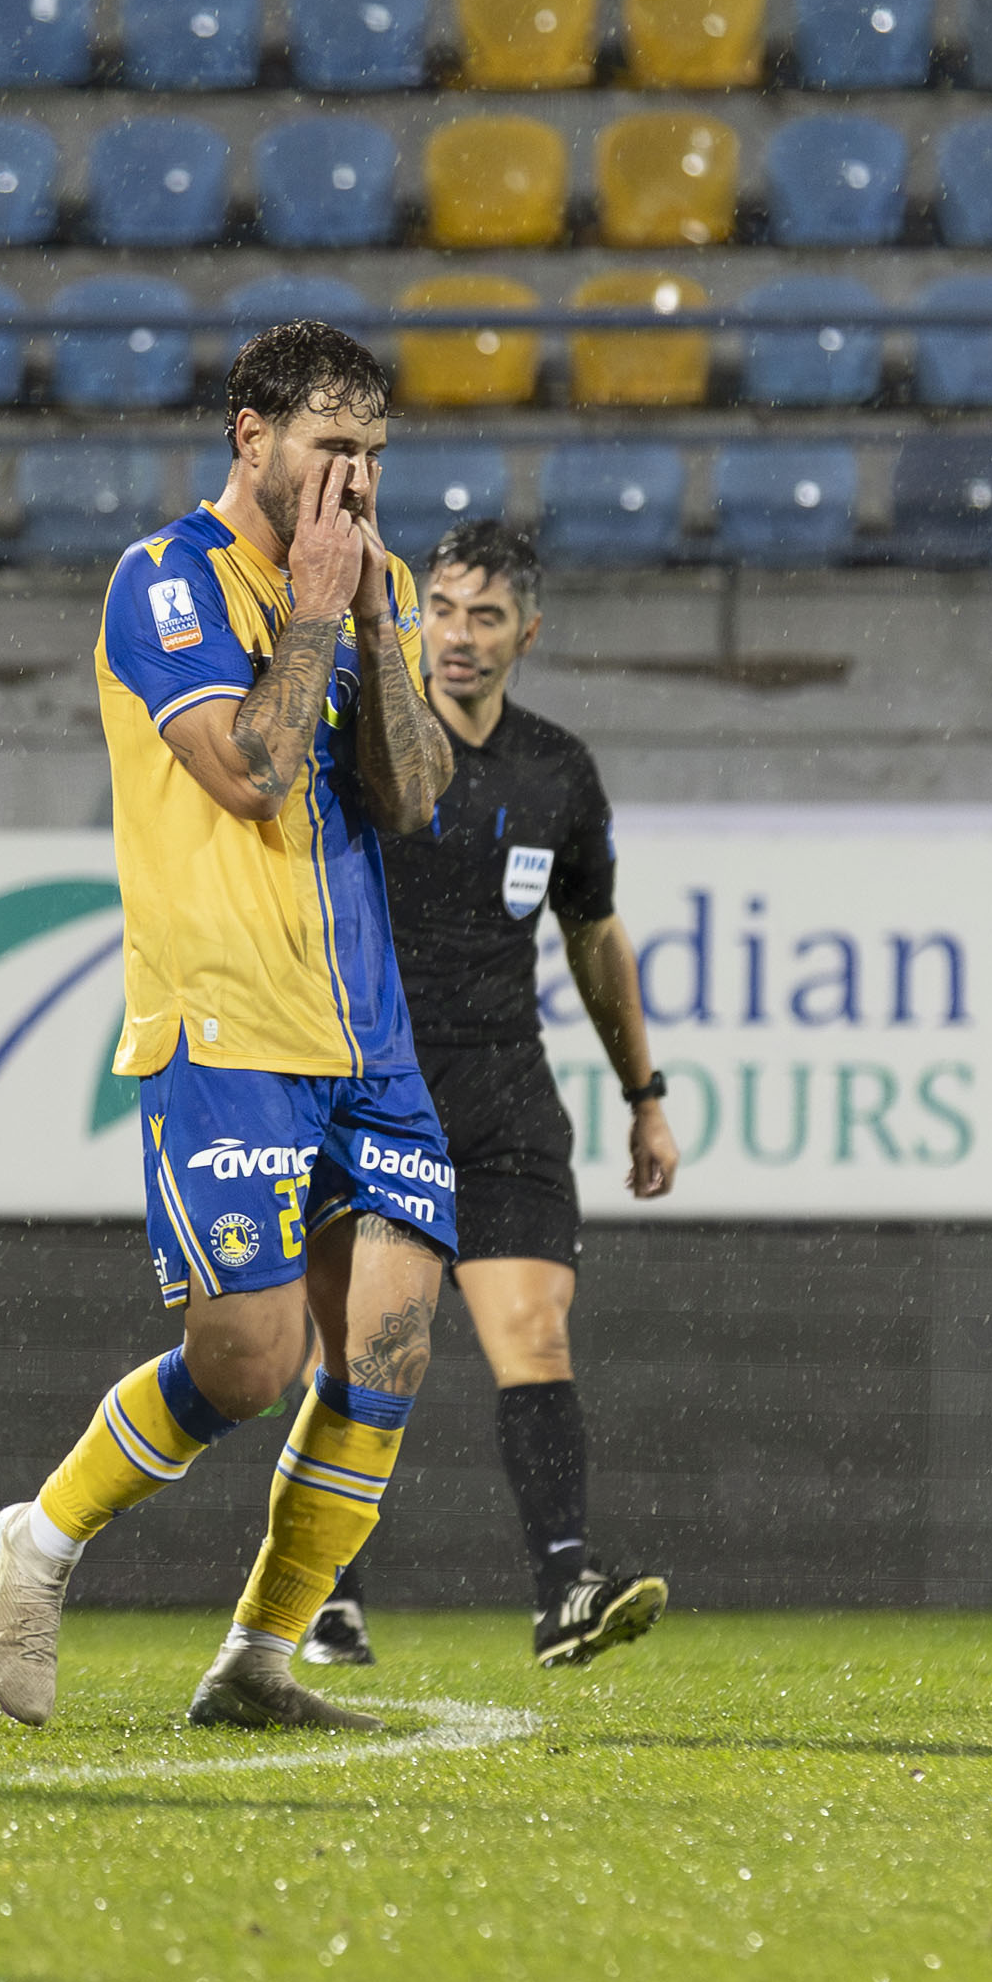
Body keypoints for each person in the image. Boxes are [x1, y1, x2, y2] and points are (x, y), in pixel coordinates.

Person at [0, 320, 460, 1733]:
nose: (355, 479)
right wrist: (312, 605)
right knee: (249, 1361)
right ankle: (38, 1539)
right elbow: (250, 769)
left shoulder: (381, 586)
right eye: (330, 445)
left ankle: (257, 1659)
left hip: (368, 1040)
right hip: (226, 1021)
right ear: (251, 437)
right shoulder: (164, 580)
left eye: (372, 451)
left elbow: (413, 795)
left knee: (384, 1355)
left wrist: (369, 621)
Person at [304, 522, 681, 1673]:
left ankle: (564, 1588)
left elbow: (592, 932)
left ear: (527, 630)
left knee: (532, 1332)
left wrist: (644, 1093)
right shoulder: (365, 741)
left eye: (485, 615)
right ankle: (324, 1592)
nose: (458, 635)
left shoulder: (554, 769)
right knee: (363, 1352)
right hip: (374, 1090)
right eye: (441, 609)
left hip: (503, 1097)